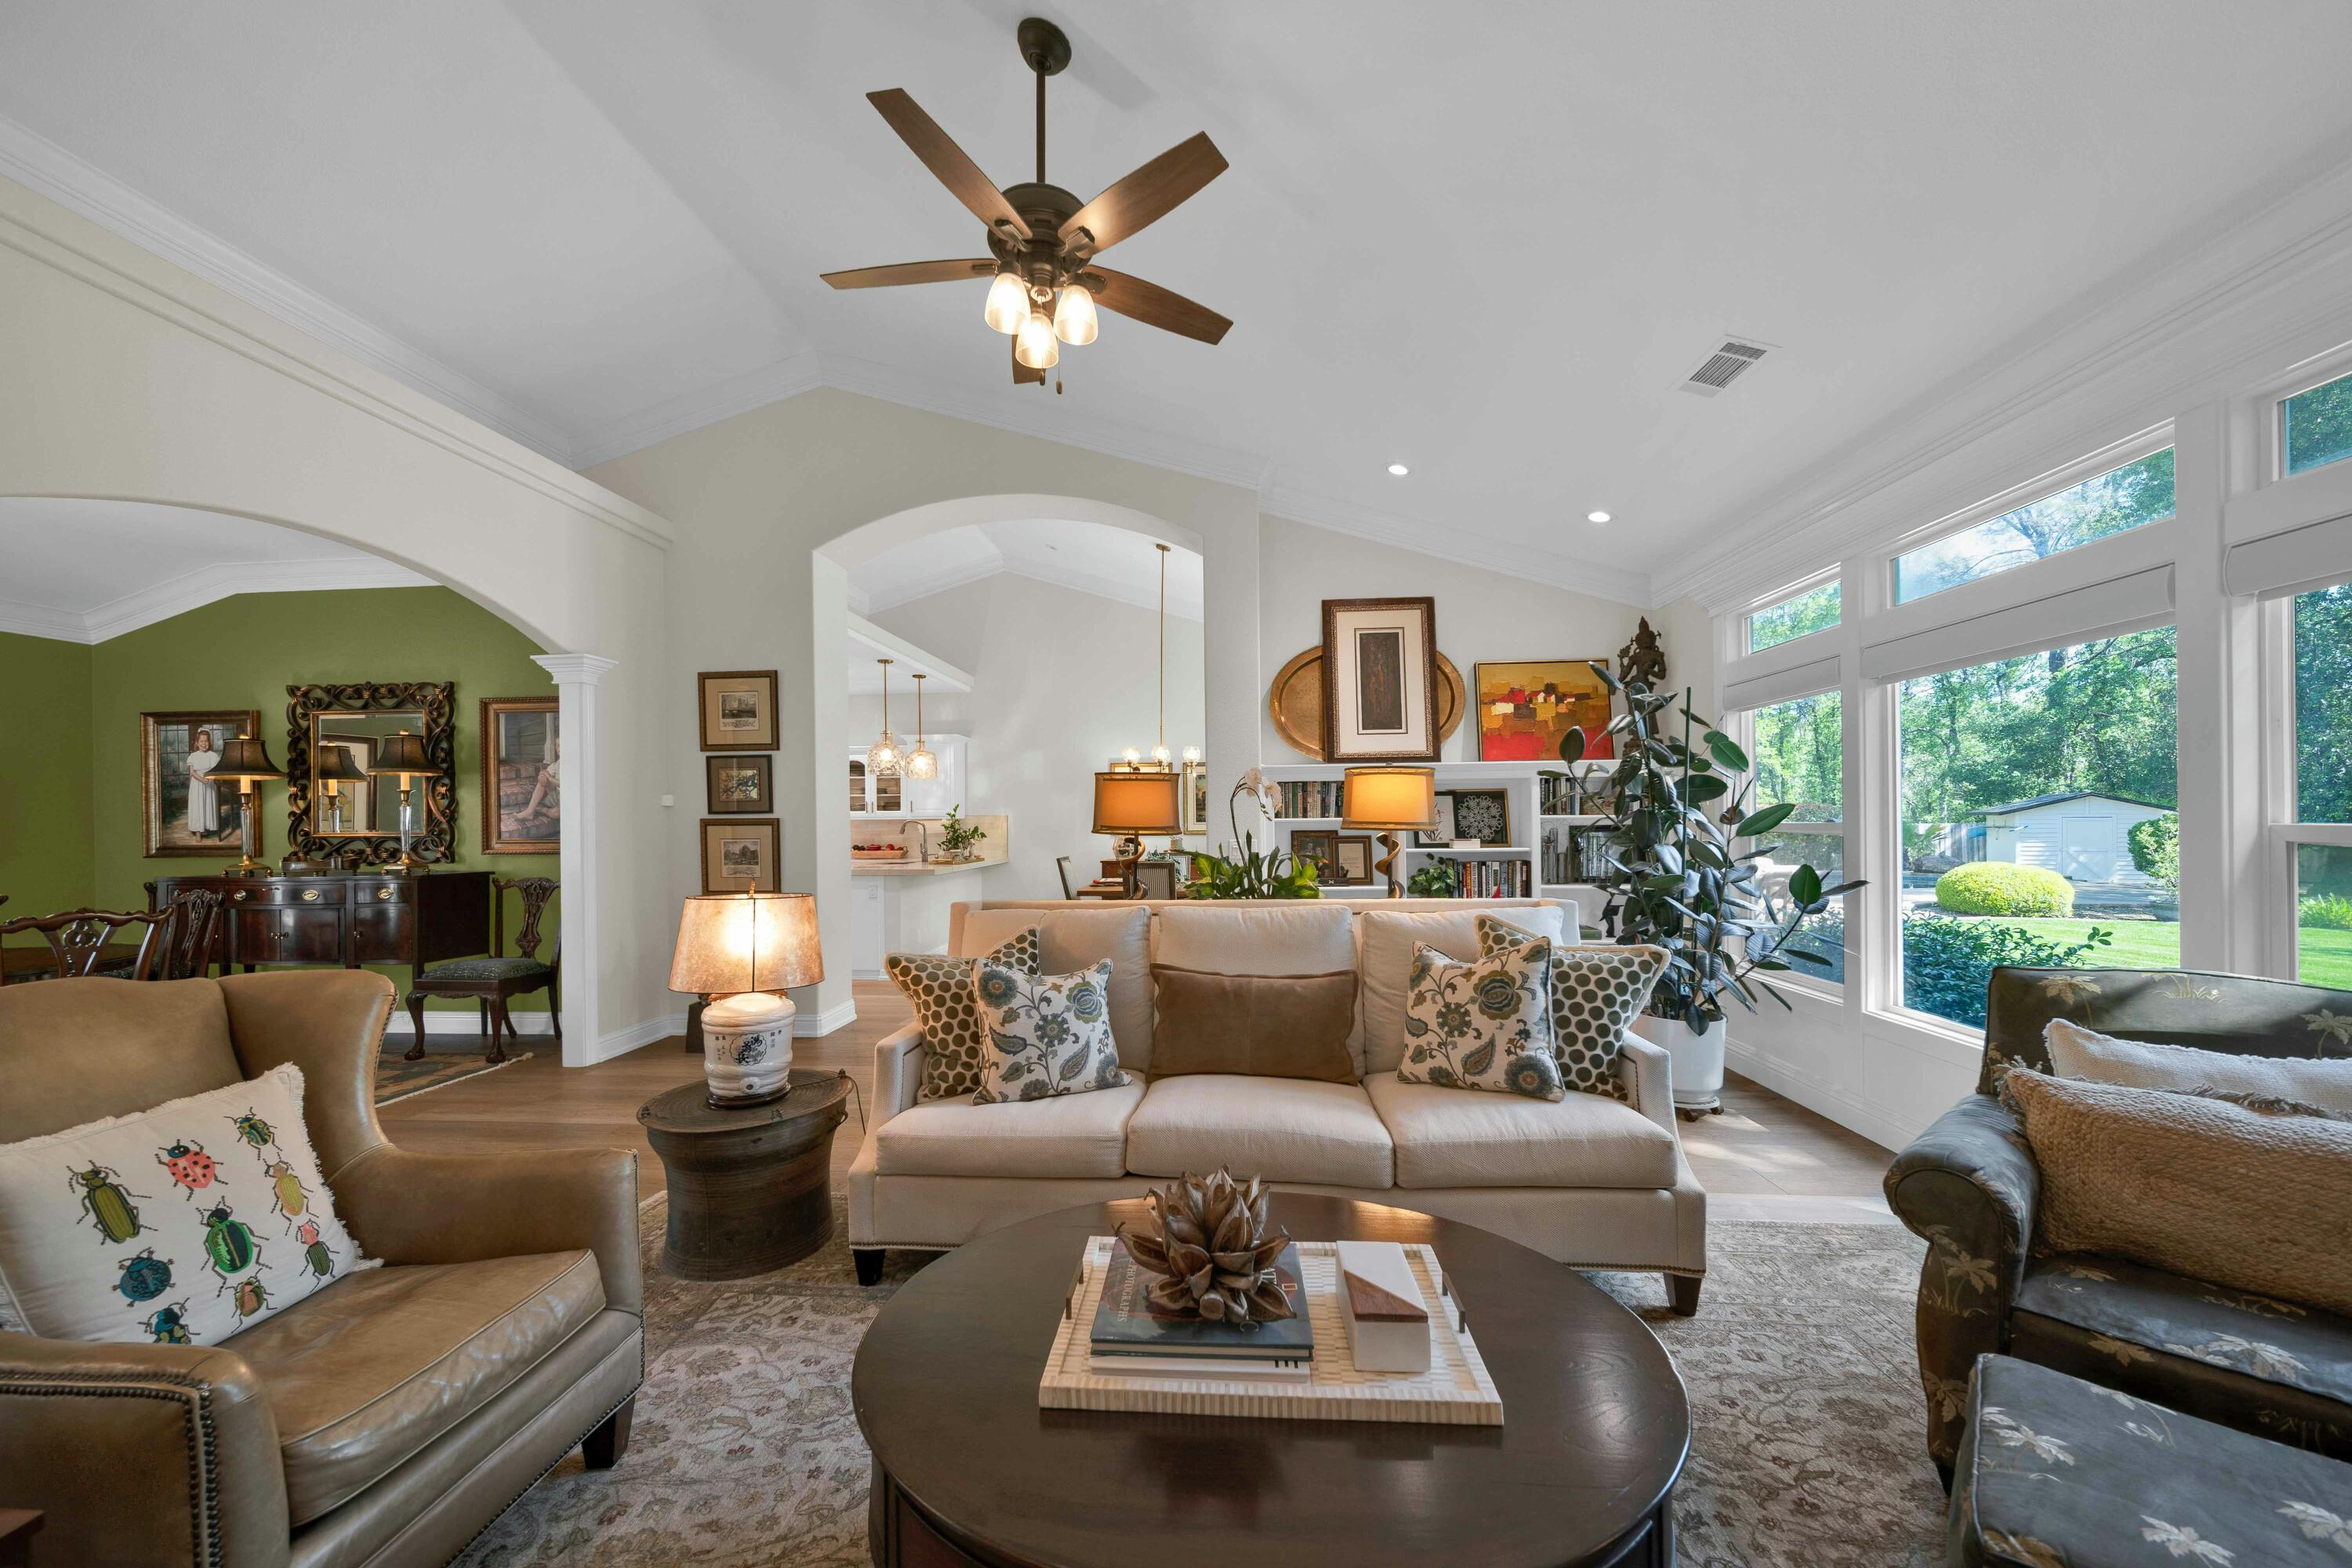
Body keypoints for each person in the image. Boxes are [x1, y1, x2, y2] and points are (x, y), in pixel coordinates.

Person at [186, 728, 222, 839]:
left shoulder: (213, 756)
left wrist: (210, 778)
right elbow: (192, 772)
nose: (204, 743)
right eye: (201, 741)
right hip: (197, 784)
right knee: (198, 806)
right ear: (197, 743)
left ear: (210, 743)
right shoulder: (193, 756)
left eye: (206, 741)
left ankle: (205, 827)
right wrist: (201, 779)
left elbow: (215, 771)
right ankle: (198, 831)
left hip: (209, 784)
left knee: (207, 805)